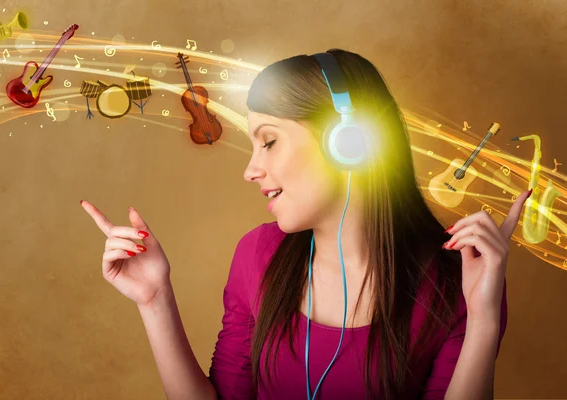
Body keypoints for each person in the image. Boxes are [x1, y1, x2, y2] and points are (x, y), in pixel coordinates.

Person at [81, 49, 528, 399]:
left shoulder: (461, 277)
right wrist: (155, 299)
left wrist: (484, 320)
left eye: (269, 142)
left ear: (346, 142)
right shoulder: (257, 254)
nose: (251, 170)